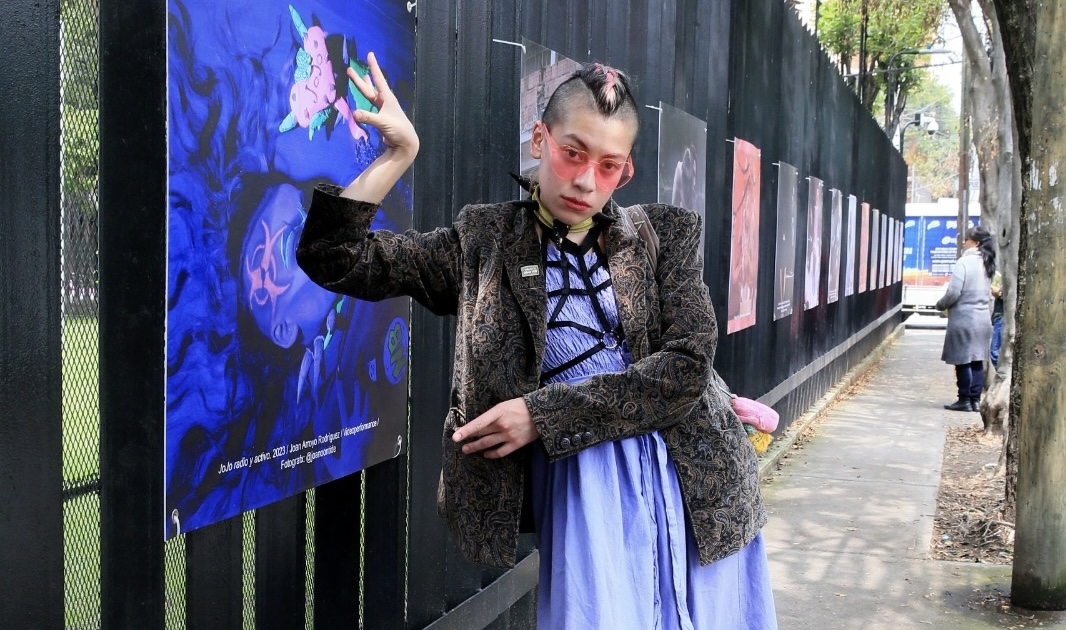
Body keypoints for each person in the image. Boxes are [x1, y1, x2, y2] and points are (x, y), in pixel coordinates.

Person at [297, 53, 777, 629]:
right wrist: (399, 154)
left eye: (608, 166)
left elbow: (687, 367)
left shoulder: (664, 236)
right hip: (588, 493)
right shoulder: (484, 244)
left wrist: (540, 415)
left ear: (625, 172)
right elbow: (335, 258)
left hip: (698, 484)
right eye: (573, 152)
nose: (585, 181)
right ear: (540, 139)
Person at [935, 226, 996, 412]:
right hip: (983, 319)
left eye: (966, 239)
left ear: (975, 243)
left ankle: (964, 399)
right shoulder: (988, 262)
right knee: (977, 361)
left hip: (964, 318)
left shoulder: (964, 262)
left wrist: (941, 305)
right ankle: (975, 400)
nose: (963, 242)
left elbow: (954, 292)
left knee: (962, 360)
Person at [989, 270, 1004, 368]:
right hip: (1000, 316)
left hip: (1001, 316)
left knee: (995, 352)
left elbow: (997, 292)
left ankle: (1002, 372)